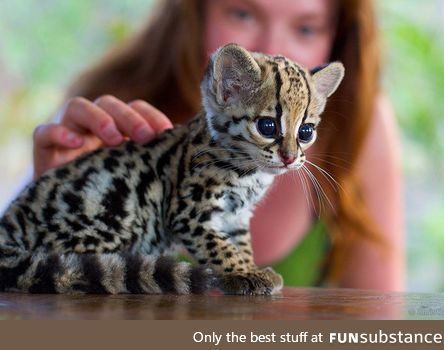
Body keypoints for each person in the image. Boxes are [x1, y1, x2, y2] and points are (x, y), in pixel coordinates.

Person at [32, 0, 404, 291]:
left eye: (306, 27)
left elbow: (379, 326)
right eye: (243, 12)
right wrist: (59, 200)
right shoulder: (109, 110)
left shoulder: (359, 127)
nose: (272, 48)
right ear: (196, 9)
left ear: (337, 34)